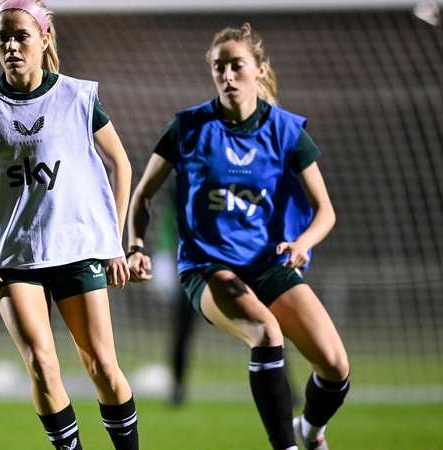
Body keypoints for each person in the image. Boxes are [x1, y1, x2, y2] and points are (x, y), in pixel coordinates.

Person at [127, 23, 350, 450]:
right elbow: (142, 196)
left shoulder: (286, 131)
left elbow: (326, 210)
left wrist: (303, 243)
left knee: (336, 367)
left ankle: (310, 429)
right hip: (207, 266)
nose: (227, 76)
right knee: (266, 332)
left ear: (259, 70)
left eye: (237, 66)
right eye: (219, 67)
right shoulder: (188, 127)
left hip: (269, 264)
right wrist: (136, 246)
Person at [0, 1, 139, 449]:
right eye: (2, 37)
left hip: (77, 250)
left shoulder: (77, 97)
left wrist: (113, 242)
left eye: (21, 36)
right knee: (41, 363)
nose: (11, 45)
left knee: (103, 367)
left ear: (44, 39)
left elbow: (122, 164)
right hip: (12, 260)